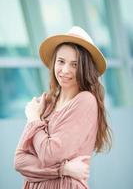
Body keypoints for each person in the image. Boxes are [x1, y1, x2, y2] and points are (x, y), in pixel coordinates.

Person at [14, 26, 111, 189]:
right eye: (61, 61)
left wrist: (34, 120)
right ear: (54, 63)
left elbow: (49, 154)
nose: (65, 70)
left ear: (84, 68)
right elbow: (19, 161)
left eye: (74, 64)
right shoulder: (46, 103)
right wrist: (64, 168)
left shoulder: (85, 101)